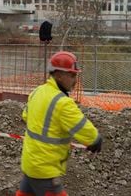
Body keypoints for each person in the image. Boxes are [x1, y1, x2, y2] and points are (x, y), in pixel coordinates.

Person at [16, 51, 103, 196]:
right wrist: (95, 140)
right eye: (72, 75)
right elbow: (84, 129)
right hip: (45, 170)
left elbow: (26, 115)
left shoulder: (37, 91)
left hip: (30, 164)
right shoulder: (63, 102)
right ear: (59, 75)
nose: (75, 80)